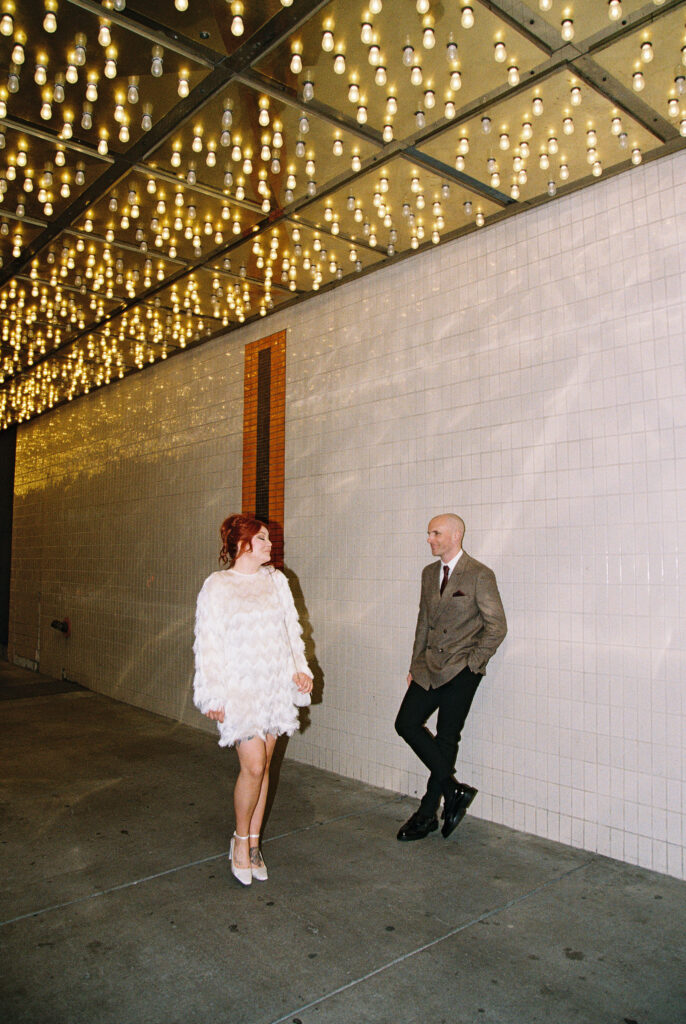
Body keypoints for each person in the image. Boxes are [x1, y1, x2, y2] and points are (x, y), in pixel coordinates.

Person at [192, 514, 313, 886]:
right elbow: (207, 642)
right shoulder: (218, 585)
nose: (268, 545)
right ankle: (240, 841)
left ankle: (254, 843)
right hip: (238, 689)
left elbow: (291, 631)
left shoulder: (278, 581)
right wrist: (212, 693)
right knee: (254, 766)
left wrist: (300, 669)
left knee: (266, 768)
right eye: (261, 539)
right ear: (241, 544)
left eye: (268, 539)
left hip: (274, 685)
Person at [395, 513, 507, 841]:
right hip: (428, 668)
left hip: (461, 670)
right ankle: (453, 789)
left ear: (455, 535)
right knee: (406, 724)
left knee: (447, 738)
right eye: (429, 533)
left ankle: (427, 814)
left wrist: (474, 663)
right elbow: (423, 622)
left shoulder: (479, 575)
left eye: (436, 533)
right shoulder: (429, 574)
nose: (429, 539)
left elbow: (497, 625)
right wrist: (415, 666)